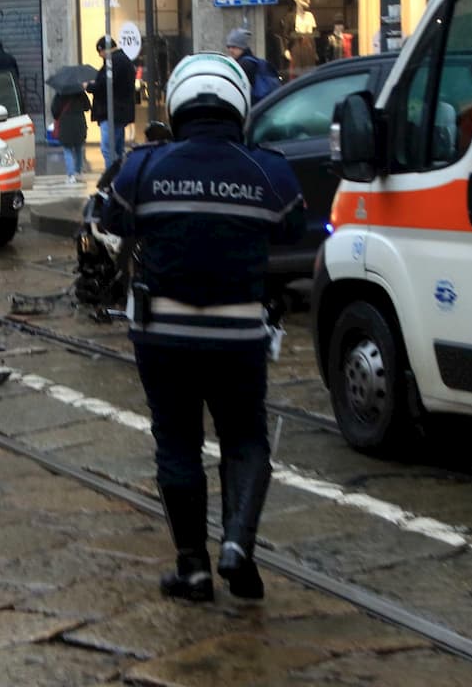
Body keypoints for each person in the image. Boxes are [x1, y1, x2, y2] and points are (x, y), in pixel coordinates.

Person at [101, 52, 305, 602]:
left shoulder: (142, 166)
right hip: (239, 335)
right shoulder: (268, 168)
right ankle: (237, 544)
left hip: (161, 334)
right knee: (244, 436)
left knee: (177, 443)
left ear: (178, 103)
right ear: (239, 104)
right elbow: (294, 229)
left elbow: (108, 221)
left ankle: (191, 568)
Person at [85, 36, 136, 171]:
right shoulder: (125, 61)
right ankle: (120, 175)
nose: (100, 56)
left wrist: (89, 86)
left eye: (99, 52)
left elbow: (104, 85)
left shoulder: (112, 63)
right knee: (118, 149)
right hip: (121, 111)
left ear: (103, 50)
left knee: (108, 148)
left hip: (111, 111)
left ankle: (112, 178)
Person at [225, 27, 280, 103]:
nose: (230, 50)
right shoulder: (251, 60)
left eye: (234, 47)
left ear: (242, 47)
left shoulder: (245, 64)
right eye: (228, 47)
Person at [51, 88, 91, 183]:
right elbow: (87, 107)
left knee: (67, 150)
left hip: (65, 125)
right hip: (79, 123)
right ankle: (78, 171)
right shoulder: (80, 92)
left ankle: (71, 175)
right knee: (78, 148)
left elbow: (54, 111)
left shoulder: (60, 93)